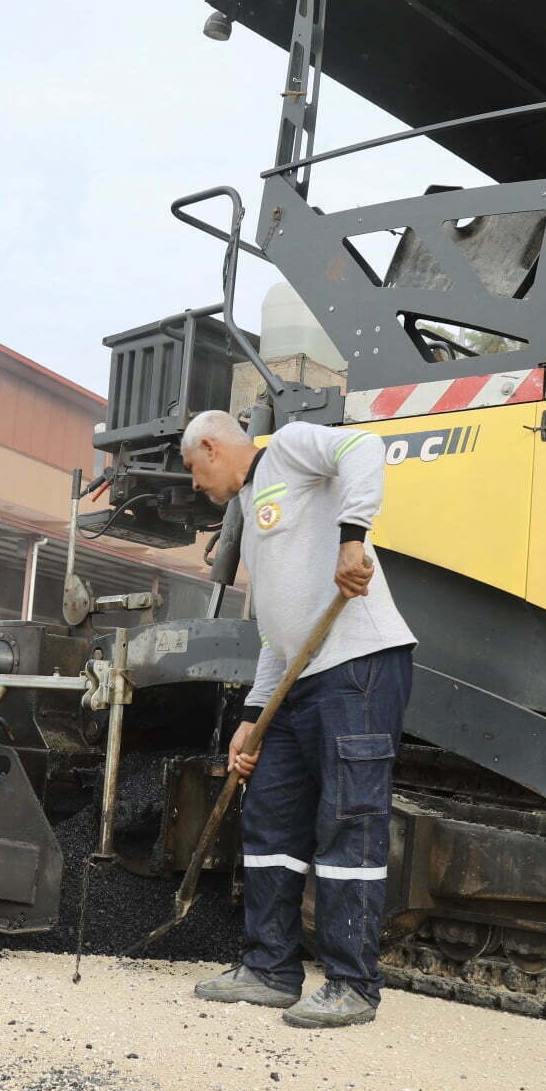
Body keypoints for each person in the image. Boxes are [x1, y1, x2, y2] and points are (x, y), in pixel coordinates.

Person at [181, 409, 416, 1028]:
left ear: (210, 445)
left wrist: (353, 537)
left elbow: (364, 447)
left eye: (191, 468)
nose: (194, 483)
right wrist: (253, 716)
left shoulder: (287, 449)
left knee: (347, 819)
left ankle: (353, 984)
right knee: (270, 818)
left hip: (357, 666)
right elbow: (277, 635)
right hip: (295, 680)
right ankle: (270, 969)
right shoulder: (253, 515)